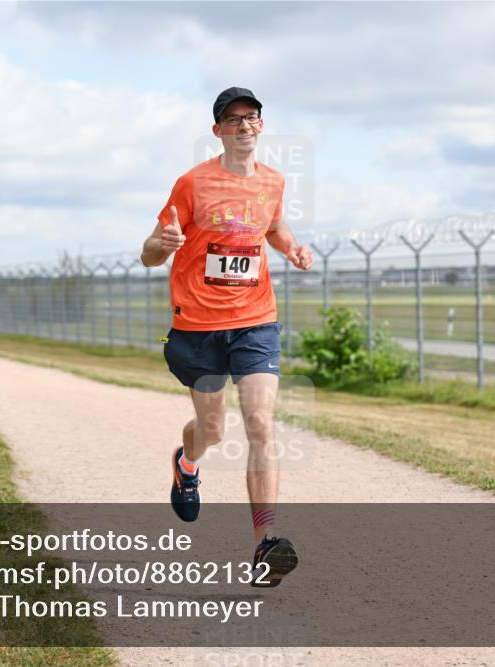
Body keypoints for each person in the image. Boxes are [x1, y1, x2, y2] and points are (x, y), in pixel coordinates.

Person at [140, 87, 313, 588]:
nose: (244, 125)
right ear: (217, 130)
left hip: (256, 318)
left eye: (252, 117)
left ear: (261, 125)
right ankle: (187, 461)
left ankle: (265, 545)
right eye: (233, 119)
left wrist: (293, 249)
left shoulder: (274, 183)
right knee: (212, 430)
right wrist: (162, 244)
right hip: (198, 325)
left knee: (260, 423)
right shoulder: (191, 184)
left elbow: (274, 228)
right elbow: (149, 252)